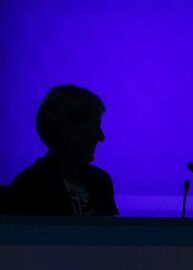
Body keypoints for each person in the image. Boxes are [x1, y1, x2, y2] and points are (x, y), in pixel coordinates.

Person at [10, 84, 118, 216]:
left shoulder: (101, 182)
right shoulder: (28, 186)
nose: (101, 136)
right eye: (95, 125)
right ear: (66, 128)